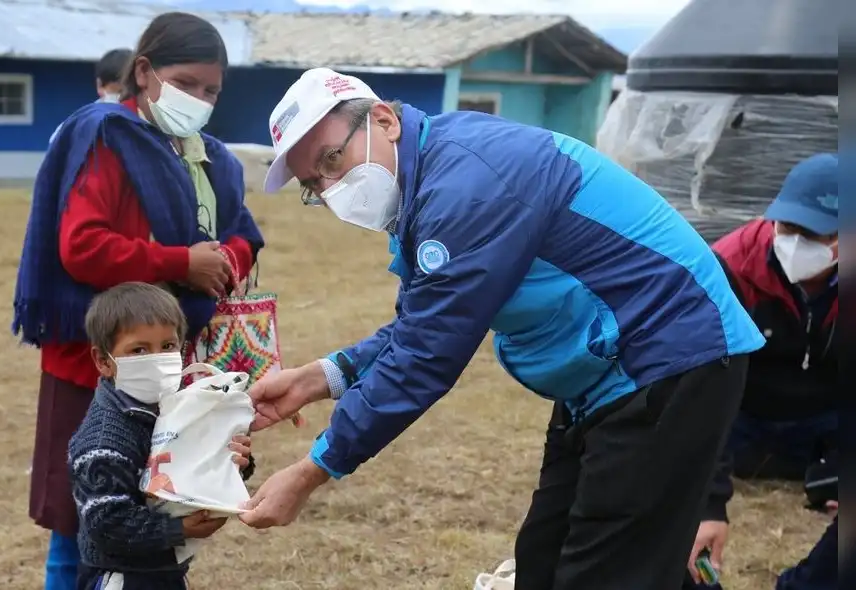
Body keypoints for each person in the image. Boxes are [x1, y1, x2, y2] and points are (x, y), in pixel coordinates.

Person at [237, 67, 766, 590]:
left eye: (332, 160)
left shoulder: (467, 186)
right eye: (314, 184)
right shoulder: (430, 178)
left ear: (384, 120)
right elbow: (425, 322)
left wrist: (313, 471)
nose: (331, 188)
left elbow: (425, 358)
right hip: (606, 372)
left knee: (608, 566)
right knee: (545, 556)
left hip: (666, 354)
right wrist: (320, 378)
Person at [11, 12, 263, 590]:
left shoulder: (209, 158)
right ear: (145, 72)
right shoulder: (106, 136)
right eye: (187, 82)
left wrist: (223, 264)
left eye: (212, 90)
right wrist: (182, 263)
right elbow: (81, 245)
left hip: (172, 366)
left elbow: (244, 234)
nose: (199, 99)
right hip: (96, 363)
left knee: (161, 503)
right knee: (81, 523)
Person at [685, 153, 838, 589]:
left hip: (825, 423)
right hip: (741, 419)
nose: (792, 241)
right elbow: (701, 390)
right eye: (787, 226)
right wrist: (709, 502)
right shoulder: (729, 267)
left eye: (813, 233)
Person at [69, 282, 254, 590]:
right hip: (122, 576)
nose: (157, 358)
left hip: (163, 569)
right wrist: (178, 529)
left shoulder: (173, 409)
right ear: (104, 362)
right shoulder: (102, 441)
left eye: (167, 346)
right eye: (139, 350)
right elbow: (107, 524)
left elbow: (193, 465)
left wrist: (235, 462)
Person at [50, 48, 133, 144]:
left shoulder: (146, 125)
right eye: (118, 92)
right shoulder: (76, 125)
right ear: (99, 85)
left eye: (129, 94)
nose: (122, 99)